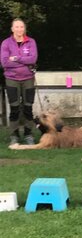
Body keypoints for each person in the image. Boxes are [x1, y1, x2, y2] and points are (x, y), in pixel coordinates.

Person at [1, 18, 38, 146]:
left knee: (28, 108)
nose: (19, 29)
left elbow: (33, 59)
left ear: (24, 28)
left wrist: (16, 58)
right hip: (12, 79)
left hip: (28, 79)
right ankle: (14, 135)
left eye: (21, 27)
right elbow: (4, 62)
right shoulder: (6, 43)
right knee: (14, 108)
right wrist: (24, 61)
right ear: (12, 29)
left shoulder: (31, 42)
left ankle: (28, 134)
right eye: (16, 27)